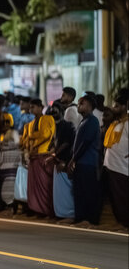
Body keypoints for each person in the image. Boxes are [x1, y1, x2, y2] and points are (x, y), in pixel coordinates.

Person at [68, 94, 102, 225]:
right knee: (79, 191)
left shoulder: (92, 121)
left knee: (88, 191)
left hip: (88, 162)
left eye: (81, 103)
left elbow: (86, 142)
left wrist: (73, 159)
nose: (78, 106)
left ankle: (90, 220)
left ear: (89, 105)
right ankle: (80, 218)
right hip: (80, 162)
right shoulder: (83, 121)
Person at [26, 98, 56, 217]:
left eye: (33, 107)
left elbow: (47, 135)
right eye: (30, 107)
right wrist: (29, 150)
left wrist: (35, 145)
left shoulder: (48, 118)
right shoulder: (31, 123)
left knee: (45, 185)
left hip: (44, 154)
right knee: (34, 186)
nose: (31, 109)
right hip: (34, 156)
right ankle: (37, 210)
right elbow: (29, 138)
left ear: (40, 107)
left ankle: (46, 210)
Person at [102, 92, 128, 227]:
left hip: (122, 167)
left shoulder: (127, 123)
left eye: (117, 106)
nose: (113, 108)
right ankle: (120, 222)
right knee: (114, 198)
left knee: (122, 197)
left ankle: (125, 223)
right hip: (110, 165)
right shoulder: (114, 123)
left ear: (124, 107)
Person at [47, 103, 76, 221]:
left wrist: (56, 155)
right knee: (58, 191)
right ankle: (60, 214)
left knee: (66, 191)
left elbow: (67, 143)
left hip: (64, 162)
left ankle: (69, 215)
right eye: (52, 110)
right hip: (57, 161)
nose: (53, 112)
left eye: (56, 110)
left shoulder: (67, 125)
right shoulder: (54, 126)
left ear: (62, 112)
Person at [0, 117, 21, 208]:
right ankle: (9, 206)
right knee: (6, 186)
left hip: (12, 163)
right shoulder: (4, 134)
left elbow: (17, 144)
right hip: (6, 163)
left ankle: (12, 207)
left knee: (11, 185)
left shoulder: (13, 133)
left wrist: (5, 145)